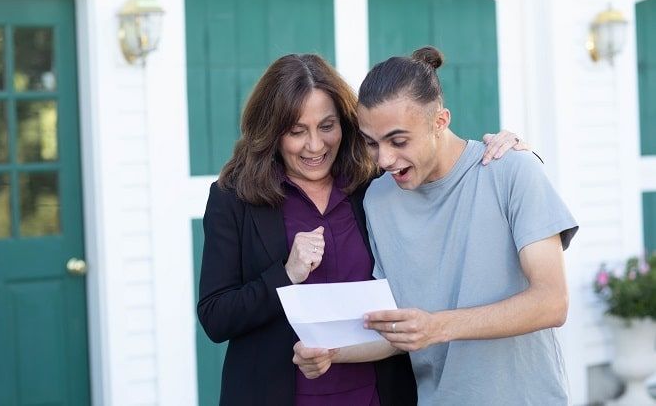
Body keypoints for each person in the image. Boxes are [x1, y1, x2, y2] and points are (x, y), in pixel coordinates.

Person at [197, 52, 524, 406]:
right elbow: (216, 317)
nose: (315, 145)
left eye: (327, 126)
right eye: (296, 131)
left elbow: (436, 160)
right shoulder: (234, 199)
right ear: (272, 132)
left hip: (380, 393)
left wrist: (511, 152)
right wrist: (285, 274)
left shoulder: (377, 185)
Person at [293, 46, 578, 405]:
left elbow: (552, 302)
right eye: (371, 143)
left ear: (440, 122)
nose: (384, 159)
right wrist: (330, 351)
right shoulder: (378, 200)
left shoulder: (513, 171)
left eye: (398, 141)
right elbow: (399, 331)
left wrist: (437, 326)